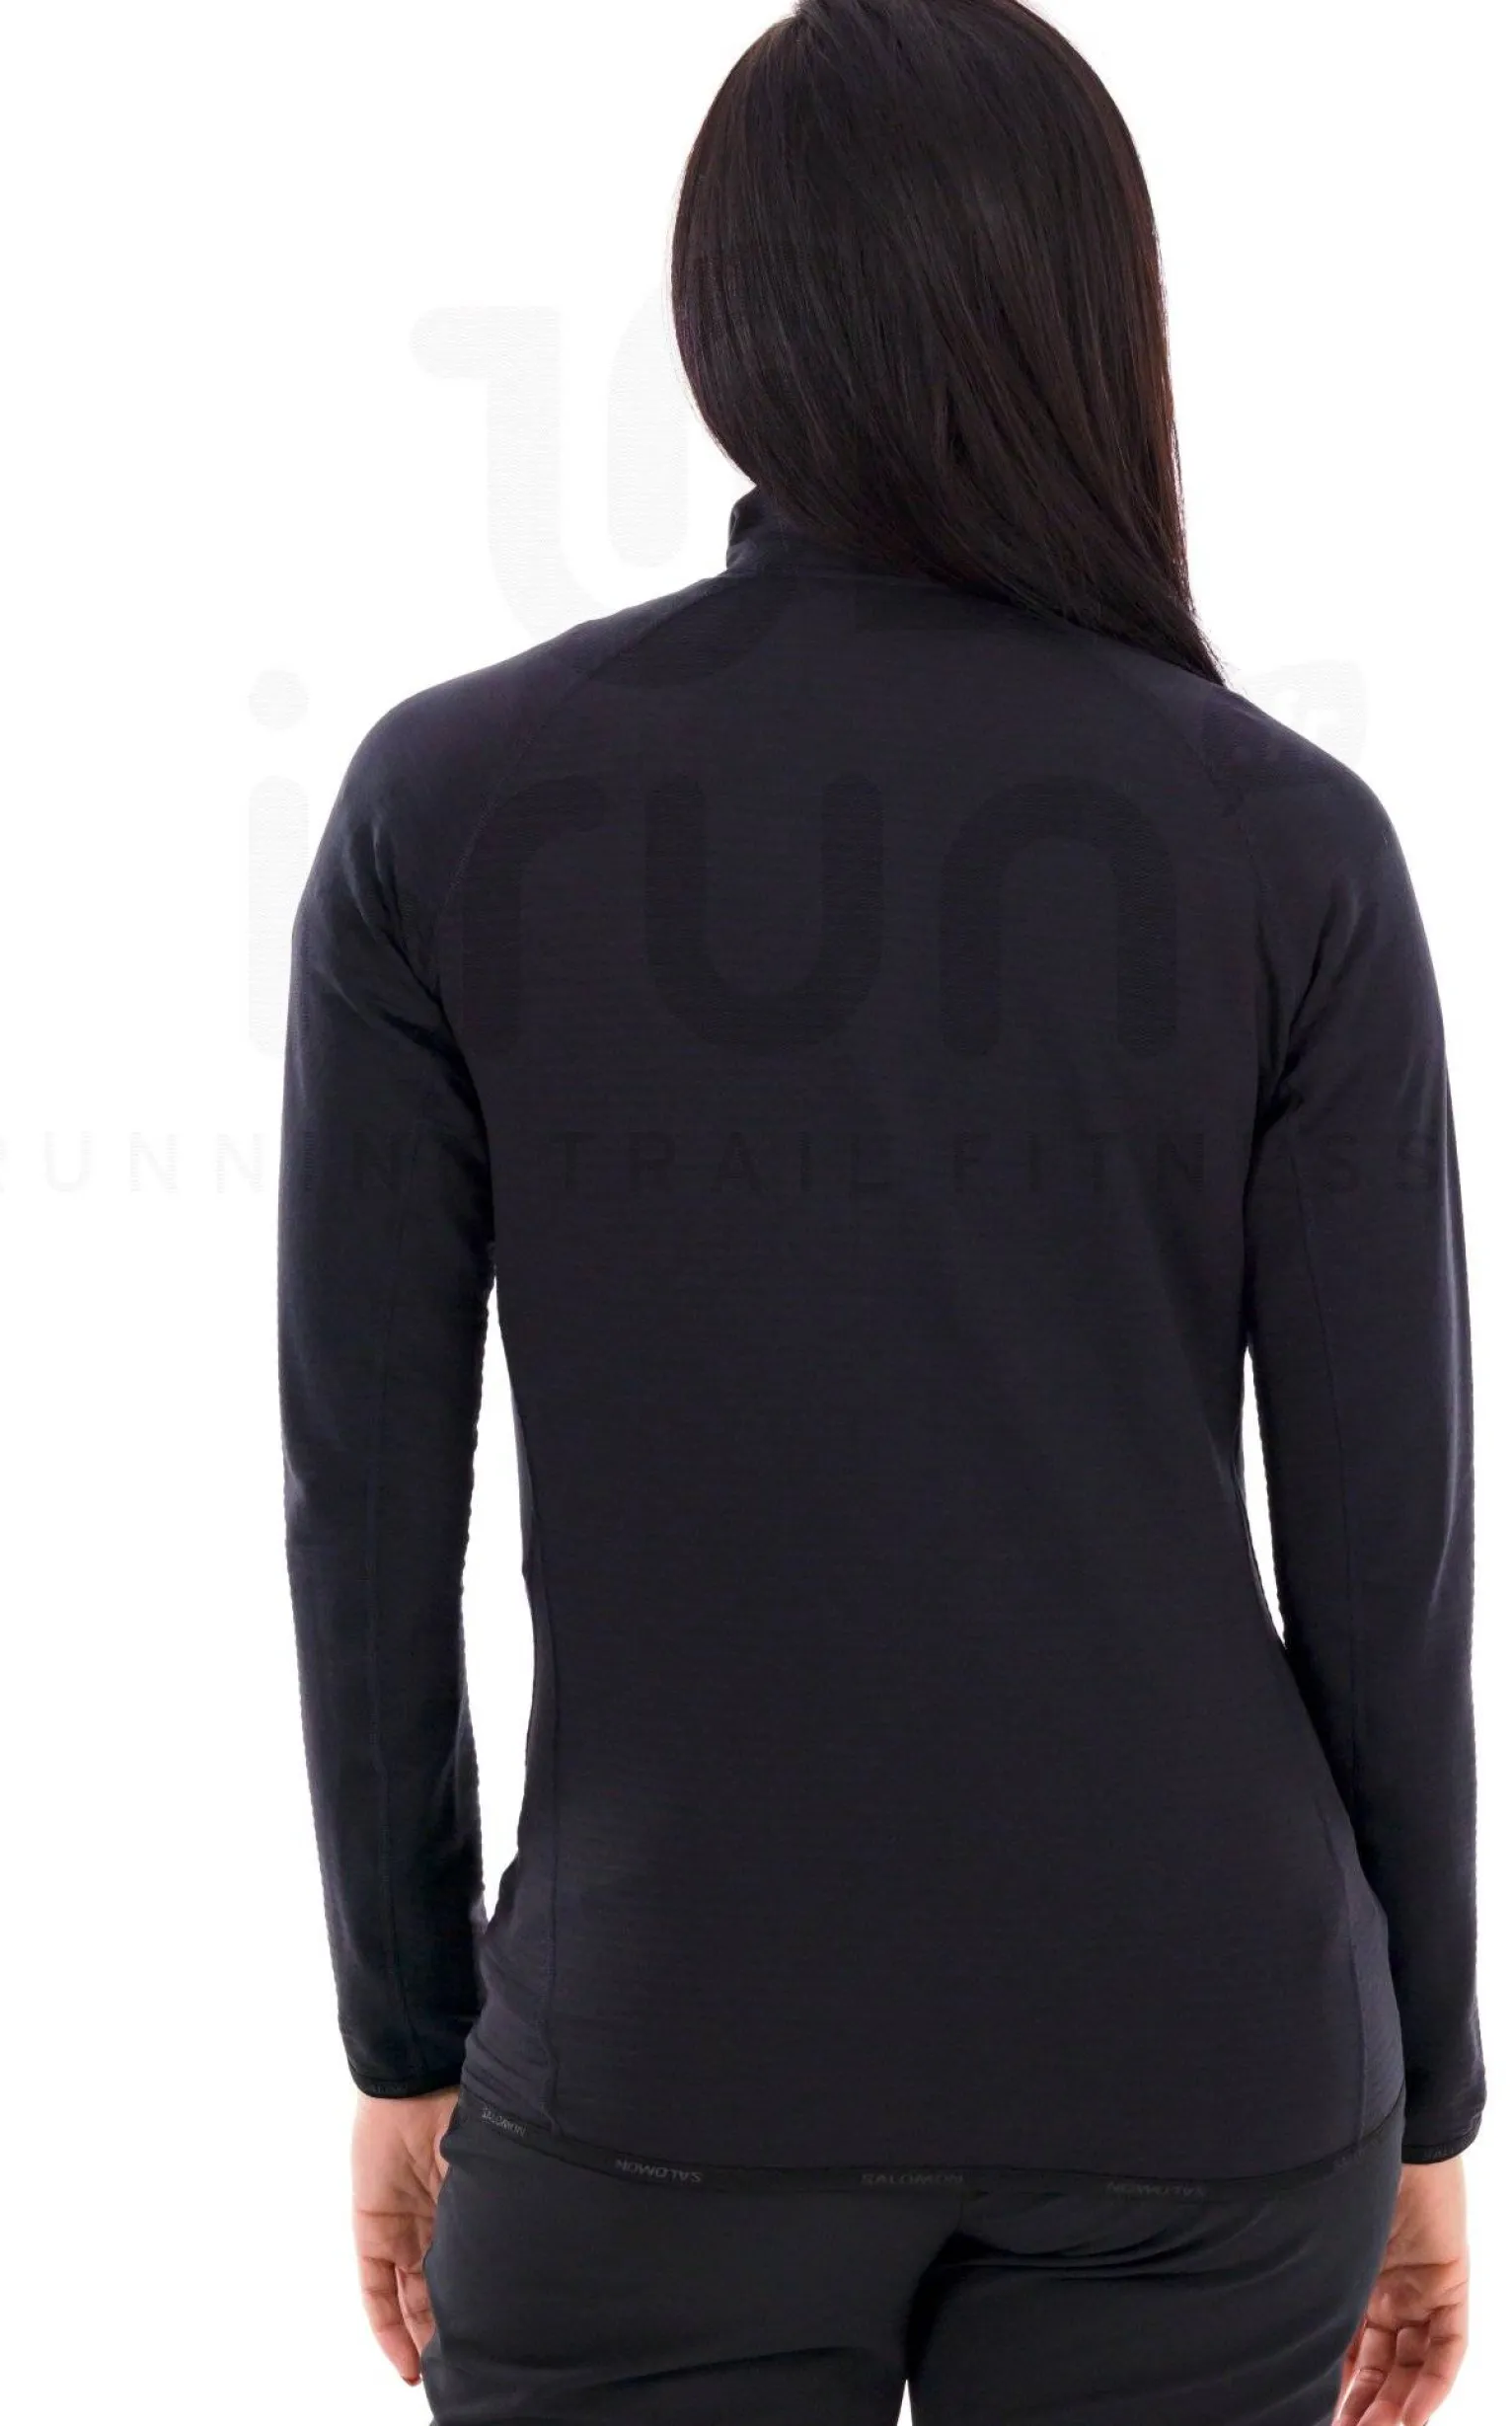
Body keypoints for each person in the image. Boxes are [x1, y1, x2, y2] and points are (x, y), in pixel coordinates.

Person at [276, 3, 1483, 2419]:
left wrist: (408, 2032)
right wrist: (1427, 2095)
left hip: (659, 2057)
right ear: (1093, 312)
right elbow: (1389, 1554)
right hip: (1212, 2058)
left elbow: (367, 1504)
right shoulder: (1287, 841)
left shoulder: (453, 803)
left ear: (726, 322)